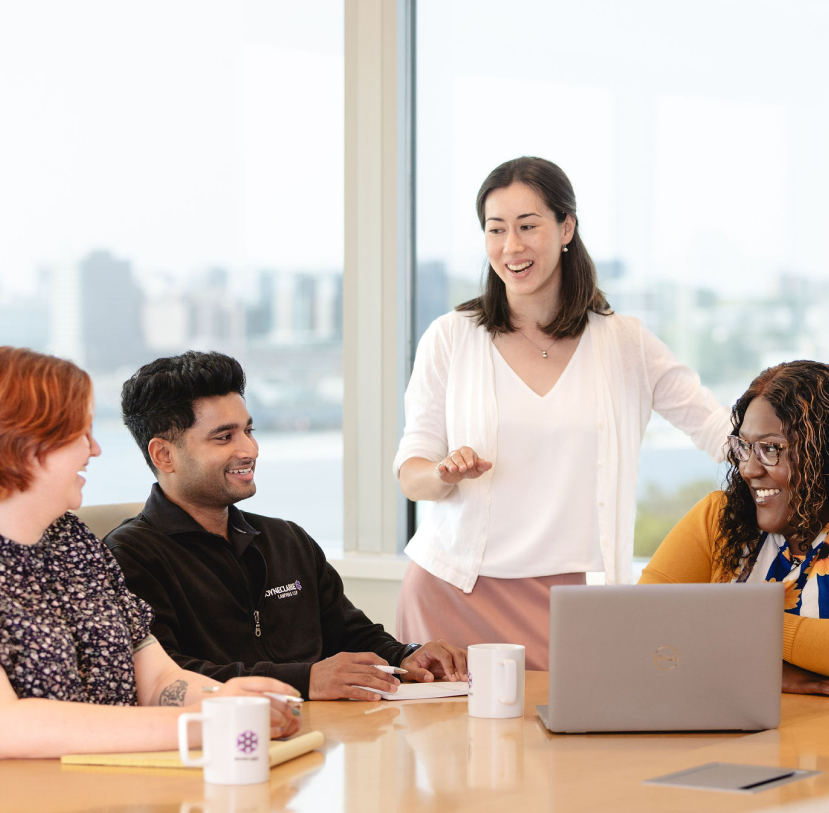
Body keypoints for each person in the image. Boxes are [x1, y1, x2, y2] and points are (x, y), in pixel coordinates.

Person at [394, 156, 731, 670]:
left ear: (566, 227)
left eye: (528, 226)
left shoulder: (624, 343)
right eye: (496, 229)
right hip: (451, 591)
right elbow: (412, 472)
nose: (512, 247)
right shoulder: (450, 337)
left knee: (577, 747)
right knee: (448, 752)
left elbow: (716, 428)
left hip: (577, 601)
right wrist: (442, 474)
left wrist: (801, 460)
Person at [105, 351, 467, 702]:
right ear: (163, 455)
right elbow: (164, 677)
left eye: (249, 430)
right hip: (221, 745)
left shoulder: (286, 540)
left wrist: (405, 656)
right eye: (224, 437)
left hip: (321, 739)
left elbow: (351, 634)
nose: (250, 449)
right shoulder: (127, 557)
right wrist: (305, 680)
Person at [0, 347, 301, 759]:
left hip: (119, 784)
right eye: (78, 433)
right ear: (22, 442)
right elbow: (10, 727)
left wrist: (227, 698)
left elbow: (158, 681)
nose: (94, 450)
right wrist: (207, 723)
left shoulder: (75, 543)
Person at [641, 360, 829, 696]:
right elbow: (639, 620)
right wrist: (767, 668)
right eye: (744, 447)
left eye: (771, 448)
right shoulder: (719, 519)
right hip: (730, 742)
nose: (748, 469)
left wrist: (720, 621)